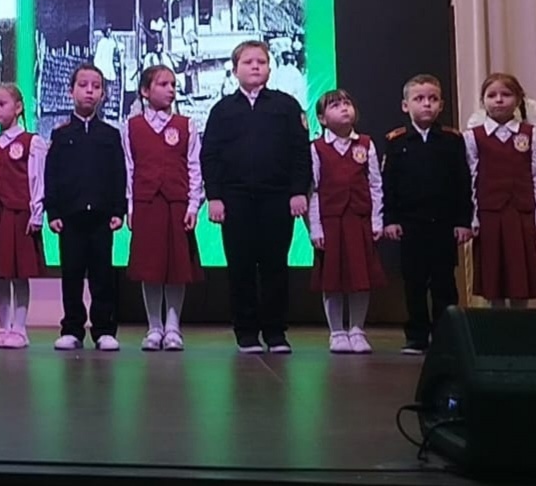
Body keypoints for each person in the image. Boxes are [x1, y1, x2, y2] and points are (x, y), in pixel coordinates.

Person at [201, 40, 311, 354]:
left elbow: (300, 153)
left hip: (277, 198)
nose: (255, 67)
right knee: (241, 267)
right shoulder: (222, 110)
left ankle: (276, 333)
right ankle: (246, 333)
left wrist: (298, 191)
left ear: (269, 68)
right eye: (248, 62)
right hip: (234, 199)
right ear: (235, 69)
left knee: (275, 266)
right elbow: (210, 156)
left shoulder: (287, 106)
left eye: (261, 62)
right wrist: (214, 196)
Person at [381, 74, 473, 355]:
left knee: (444, 282)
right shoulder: (396, 141)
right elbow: (388, 184)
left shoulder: (452, 140)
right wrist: (390, 219)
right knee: (414, 282)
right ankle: (417, 336)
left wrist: (463, 221)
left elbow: (463, 183)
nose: (426, 104)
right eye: (419, 99)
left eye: (433, 99)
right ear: (405, 105)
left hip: (444, 224)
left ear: (441, 105)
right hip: (411, 224)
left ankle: (445, 337)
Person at [122, 65, 204, 353]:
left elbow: (194, 166)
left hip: (176, 203)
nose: (171, 89)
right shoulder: (131, 127)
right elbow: (129, 169)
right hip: (147, 203)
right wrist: (130, 206)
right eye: (163, 84)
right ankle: (154, 326)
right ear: (145, 91)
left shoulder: (186, 125)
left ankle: (173, 326)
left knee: (176, 267)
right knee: (150, 267)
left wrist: (193, 204)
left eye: (173, 84)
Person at [45, 63, 126, 352]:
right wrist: (53, 211)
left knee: (103, 276)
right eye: (83, 85)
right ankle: (72, 329)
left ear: (103, 94)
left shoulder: (110, 134)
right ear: (71, 91)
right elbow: (51, 175)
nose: (89, 91)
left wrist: (118, 210)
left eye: (96, 87)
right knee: (72, 275)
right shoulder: (60, 134)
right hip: (70, 217)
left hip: (102, 218)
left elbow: (119, 174)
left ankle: (104, 330)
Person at [306, 89, 386, 354]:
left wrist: (376, 220)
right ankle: (337, 332)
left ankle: (357, 329)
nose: (343, 108)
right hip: (331, 223)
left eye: (347, 103)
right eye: (335, 105)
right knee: (333, 279)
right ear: (322, 118)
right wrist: (315, 227)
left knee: (360, 277)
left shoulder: (365, 144)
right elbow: (314, 190)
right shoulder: (317, 148)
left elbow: (375, 184)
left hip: (359, 220)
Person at [463, 73, 536, 308]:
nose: (499, 100)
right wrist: (472, 216)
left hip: (520, 214)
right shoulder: (473, 137)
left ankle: (519, 323)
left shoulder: (532, 135)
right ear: (483, 101)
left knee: (520, 275)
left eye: (506, 94)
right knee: (493, 274)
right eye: (492, 95)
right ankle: (497, 321)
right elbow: (470, 178)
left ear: (518, 99)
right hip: (488, 214)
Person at [0, 84, 47, 350]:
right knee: (0, 273)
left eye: (1, 104)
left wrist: (36, 212)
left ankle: (20, 327)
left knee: (19, 273)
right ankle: (3, 325)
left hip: (19, 215)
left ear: (18, 108)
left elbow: (37, 179)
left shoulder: (32, 142)